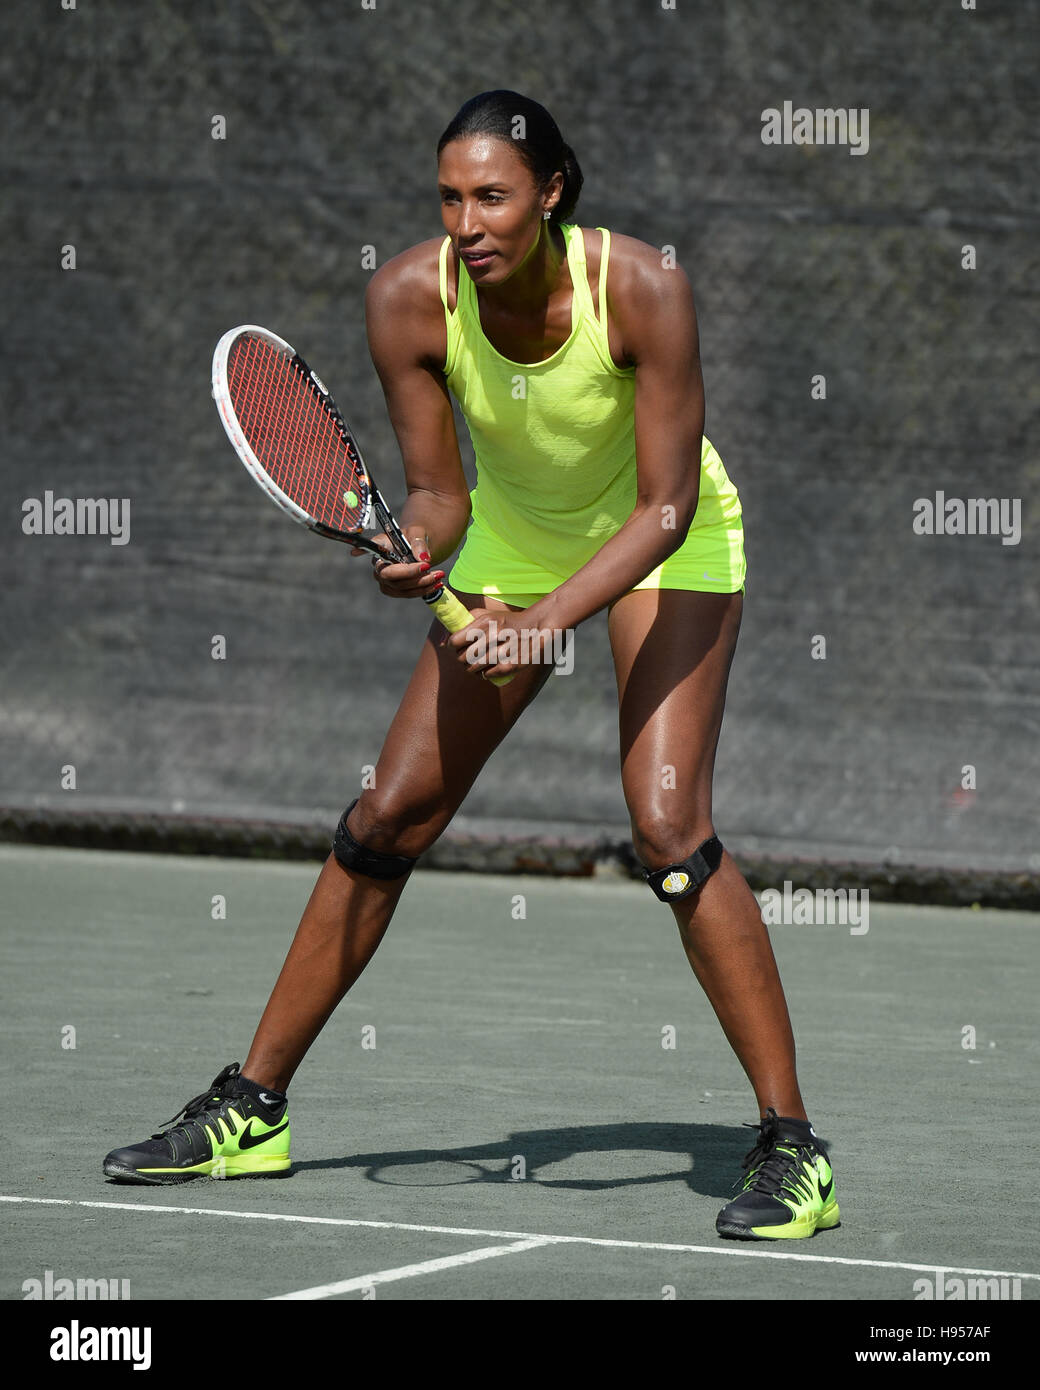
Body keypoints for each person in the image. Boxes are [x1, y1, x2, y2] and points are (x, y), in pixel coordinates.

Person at [104, 91, 838, 1242]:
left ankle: (792, 1146)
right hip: (516, 535)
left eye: (491, 195)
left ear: (550, 194)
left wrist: (540, 620)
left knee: (665, 826)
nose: (467, 221)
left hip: (666, 541)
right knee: (386, 813)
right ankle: (252, 1108)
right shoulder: (406, 300)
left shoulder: (641, 286)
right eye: (448, 197)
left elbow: (664, 503)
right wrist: (421, 552)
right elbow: (441, 496)